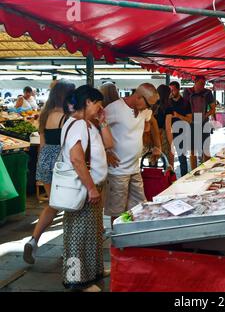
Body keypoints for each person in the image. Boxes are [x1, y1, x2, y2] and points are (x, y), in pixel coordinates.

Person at [59, 85, 113, 292]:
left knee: (92, 234)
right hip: (83, 188)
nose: (100, 108)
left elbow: (109, 144)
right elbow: (76, 159)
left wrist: (103, 121)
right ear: (88, 101)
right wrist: (91, 188)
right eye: (98, 104)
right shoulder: (78, 124)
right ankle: (76, 281)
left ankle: (93, 272)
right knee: (77, 236)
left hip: (92, 186)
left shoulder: (88, 124)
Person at [23, 80, 76, 265]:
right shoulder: (68, 117)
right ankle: (69, 249)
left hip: (45, 161)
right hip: (61, 164)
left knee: (53, 204)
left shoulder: (45, 115)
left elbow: (42, 143)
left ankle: (33, 240)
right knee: (70, 206)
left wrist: (42, 164)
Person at [104, 83, 159, 226]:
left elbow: (152, 121)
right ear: (139, 97)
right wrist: (105, 152)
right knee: (118, 212)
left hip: (135, 168)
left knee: (139, 207)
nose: (149, 108)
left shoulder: (144, 110)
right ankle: (117, 241)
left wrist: (157, 145)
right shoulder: (115, 108)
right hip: (118, 170)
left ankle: (132, 236)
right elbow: (96, 128)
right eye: (148, 104)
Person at [183, 75, 216, 170]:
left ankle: (207, 170)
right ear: (195, 82)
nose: (203, 86)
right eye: (201, 83)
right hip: (191, 123)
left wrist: (205, 116)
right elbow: (184, 108)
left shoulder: (208, 92)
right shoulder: (187, 91)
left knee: (205, 148)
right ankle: (193, 172)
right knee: (193, 150)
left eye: (204, 84)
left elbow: (213, 109)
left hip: (204, 122)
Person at [166, 81, 192, 177]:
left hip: (181, 133)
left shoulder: (185, 102)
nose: (171, 92)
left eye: (172, 90)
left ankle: (183, 179)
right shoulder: (168, 102)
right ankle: (169, 180)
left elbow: (190, 119)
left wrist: (178, 116)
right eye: (170, 90)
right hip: (168, 133)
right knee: (169, 159)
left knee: (182, 159)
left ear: (178, 89)